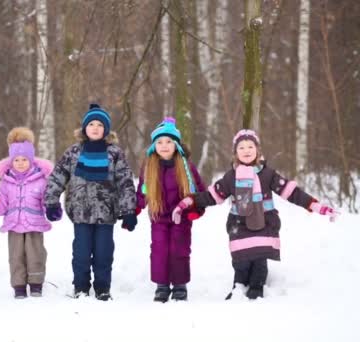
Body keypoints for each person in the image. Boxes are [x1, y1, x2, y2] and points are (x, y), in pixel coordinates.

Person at [173, 129, 338, 300]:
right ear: (236, 153)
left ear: (257, 150)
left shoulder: (268, 174)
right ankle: (239, 286)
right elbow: (212, 195)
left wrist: (315, 205)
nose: (246, 151)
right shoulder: (231, 177)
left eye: (250, 146)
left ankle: (257, 286)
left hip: (264, 223)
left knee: (259, 258)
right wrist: (189, 202)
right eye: (241, 147)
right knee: (241, 260)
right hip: (239, 224)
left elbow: (291, 192)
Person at [44, 103, 137, 301]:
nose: (95, 128)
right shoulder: (74, 152)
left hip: (107, 213)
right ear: (85, 128)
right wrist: (52, 201)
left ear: (106, 130)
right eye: (91, 124)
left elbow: (125, 181)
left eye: (100, 125)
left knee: (104, 254)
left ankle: (103, 288)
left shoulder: (114, 153)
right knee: (81, 254)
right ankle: (81, 287)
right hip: (80, 212)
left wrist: (129, 210)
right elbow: (58, 177)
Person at [136, 117, 206, 302]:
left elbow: (199, 191)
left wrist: (195, 210)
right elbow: (142, 190)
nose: (164, 146)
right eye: (159, 142)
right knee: (159, 250)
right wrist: (135, 208)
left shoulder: (186, 166)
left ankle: (180, 284)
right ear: (154, 146)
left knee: (179, 249)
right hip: (158, 217)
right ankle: (162, 285)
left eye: (168, 141)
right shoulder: (149, 167)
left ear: (176, 145)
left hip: (180, 217)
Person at [0, 127, 54, 299]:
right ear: (11, 161)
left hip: (34, 225)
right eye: (16, 160)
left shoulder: (41, 180)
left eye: (24, 159)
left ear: (31, 160)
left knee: (35, 254)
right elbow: (3, 205)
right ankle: (19, 286)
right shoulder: (5, 183)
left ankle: (36, 284)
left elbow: (46, 201)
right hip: (14, 225)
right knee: (16, 257)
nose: (20, 163)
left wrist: (52, 209)